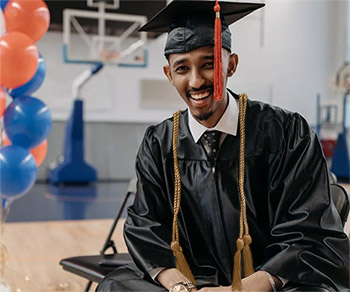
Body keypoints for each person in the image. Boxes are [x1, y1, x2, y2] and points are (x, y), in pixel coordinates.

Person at [97, 0, 350, 291]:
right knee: (116, 286)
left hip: (269, 282)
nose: (195, 81)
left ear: (231, 65)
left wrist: (240, 289)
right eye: (182, 68)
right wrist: (177, 284)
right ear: (169, 75)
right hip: (190, 279)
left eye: (208, 64)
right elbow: (145, 224)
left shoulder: (286, 133)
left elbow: (309, 233)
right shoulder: (159, 143)